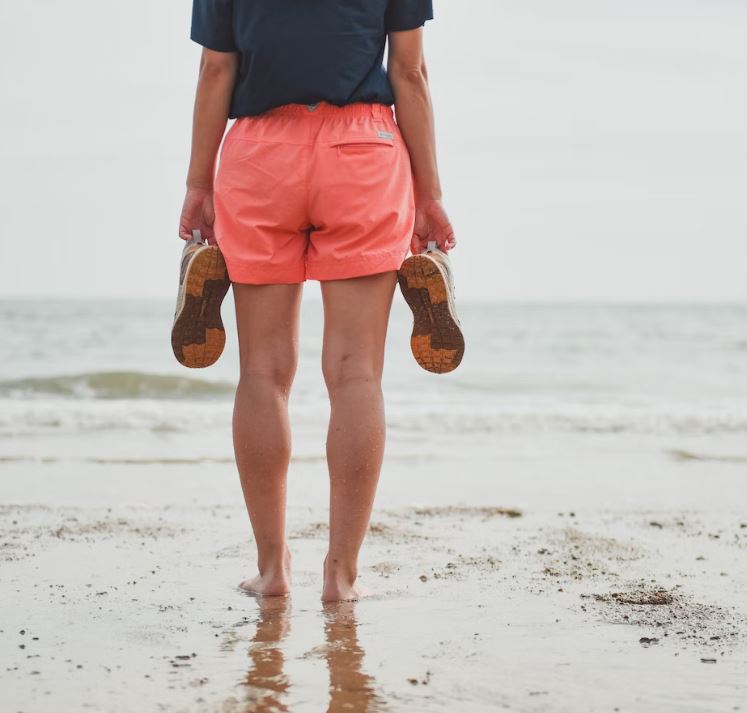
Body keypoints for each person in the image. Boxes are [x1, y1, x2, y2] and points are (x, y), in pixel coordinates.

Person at [174, 0, 459, 602]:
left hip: (259, 157)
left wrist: (199, 184)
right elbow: (409, 71)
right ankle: (341, 575)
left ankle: (273, 569)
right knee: (357, 375)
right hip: (363, 153)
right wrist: (429, 195)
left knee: (262, 372)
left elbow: (216, 69)